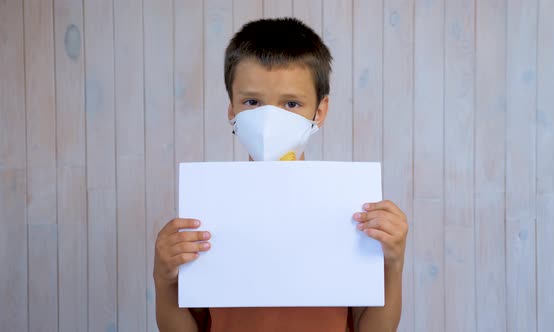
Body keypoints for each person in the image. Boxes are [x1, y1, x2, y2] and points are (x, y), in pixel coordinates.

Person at [153, 18, 408, 332]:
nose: (270, 119)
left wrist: (393, 264)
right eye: (252, 102)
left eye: (291, 103)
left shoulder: (349, 207)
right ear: (232, 110)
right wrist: (163, 280)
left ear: (320, 111)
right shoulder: (208, 208)